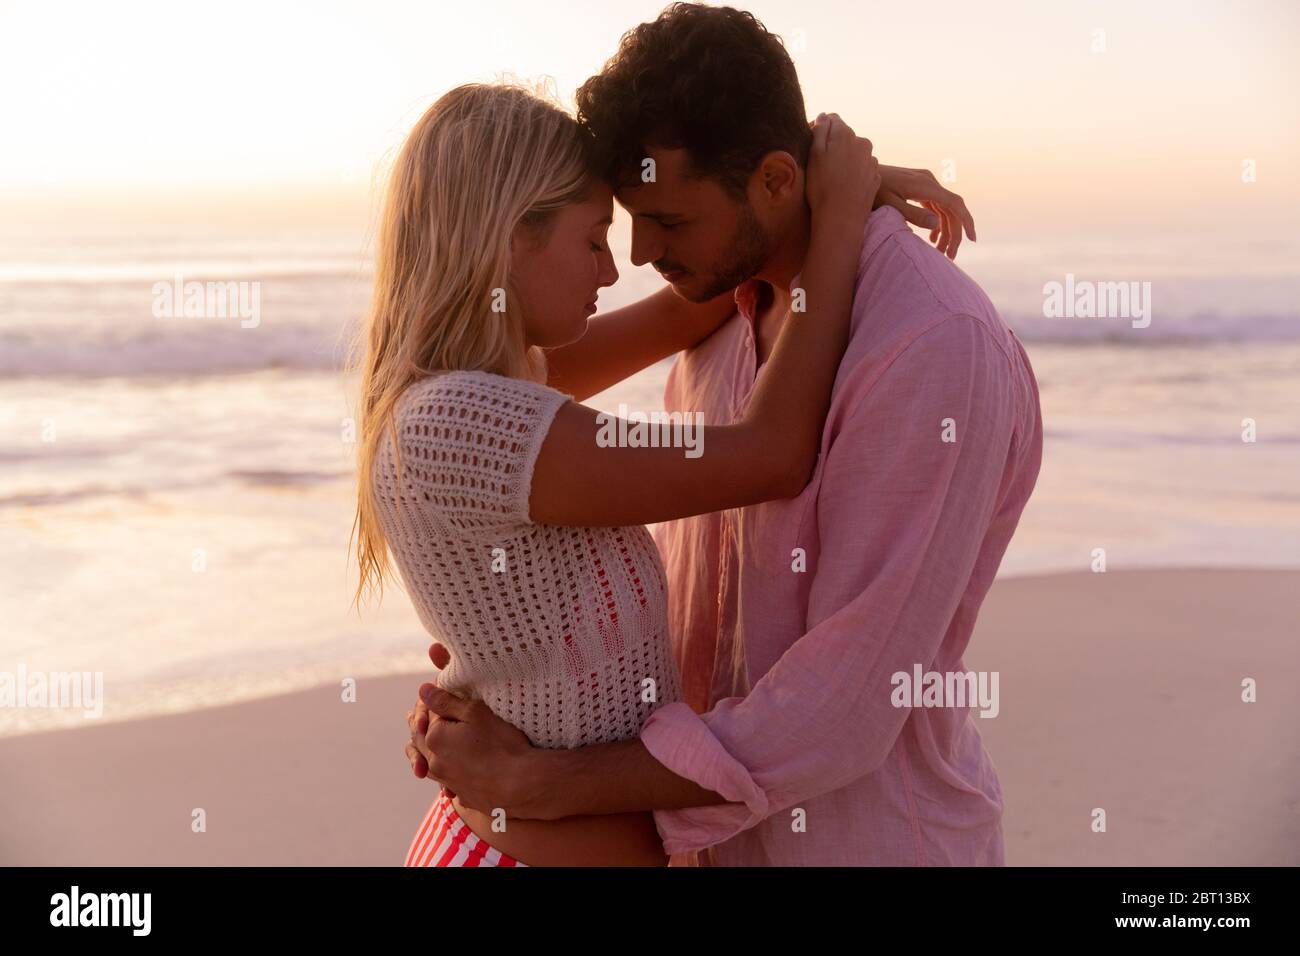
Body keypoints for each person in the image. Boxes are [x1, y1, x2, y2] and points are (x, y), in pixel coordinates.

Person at [408, 3, 1042, 866]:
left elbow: (846, 709)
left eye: (667, 222)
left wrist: (546, 782)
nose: (635, 254)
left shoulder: (931, 345)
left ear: (780, 184)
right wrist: (504, 662)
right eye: (626, 219)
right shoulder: (714, 306)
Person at [354, 77, 883, 866]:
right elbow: (770, 454)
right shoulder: (467, 425)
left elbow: (688, 304)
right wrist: (839, 223)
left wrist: (812, 187)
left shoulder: (493, 389)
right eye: (594, 239)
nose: (612, 270)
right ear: (509, 237)